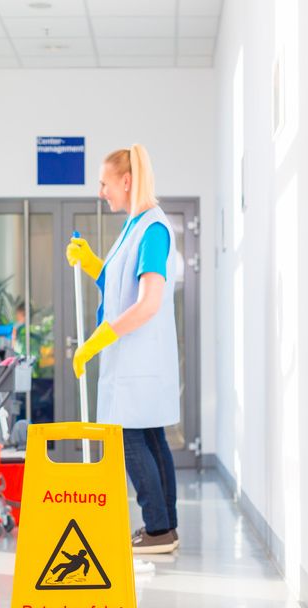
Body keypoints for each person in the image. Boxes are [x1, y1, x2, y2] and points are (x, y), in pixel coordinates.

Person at [67, 144, 181, 555]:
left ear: (127, 181)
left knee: (131, 440)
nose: (101, 192)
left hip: (139, 359)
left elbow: (148, 301)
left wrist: (96, 342)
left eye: (104, 183)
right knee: (151, 439)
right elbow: (119, 289)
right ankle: (165, 527)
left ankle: (156, 529)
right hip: (134, 359)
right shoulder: (135, 227)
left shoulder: (152, 229)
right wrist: (93, 262)